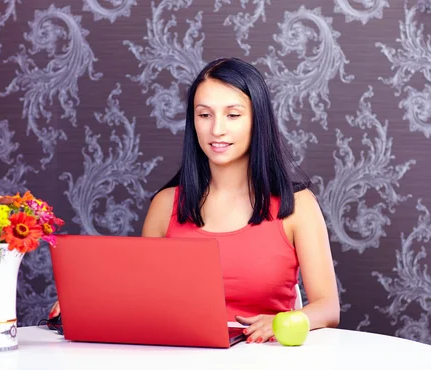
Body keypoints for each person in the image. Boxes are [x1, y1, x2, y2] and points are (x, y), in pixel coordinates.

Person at [141, 57, 340, 344]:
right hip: (182, 356)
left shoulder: (297, 205)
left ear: (257, 120)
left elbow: (328, 308)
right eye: (204, 115)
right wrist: (86, 308)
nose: (216, 129)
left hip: (265, 357)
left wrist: (283, 321)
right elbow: (145, 299)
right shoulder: (164, 205)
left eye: (232, 115)